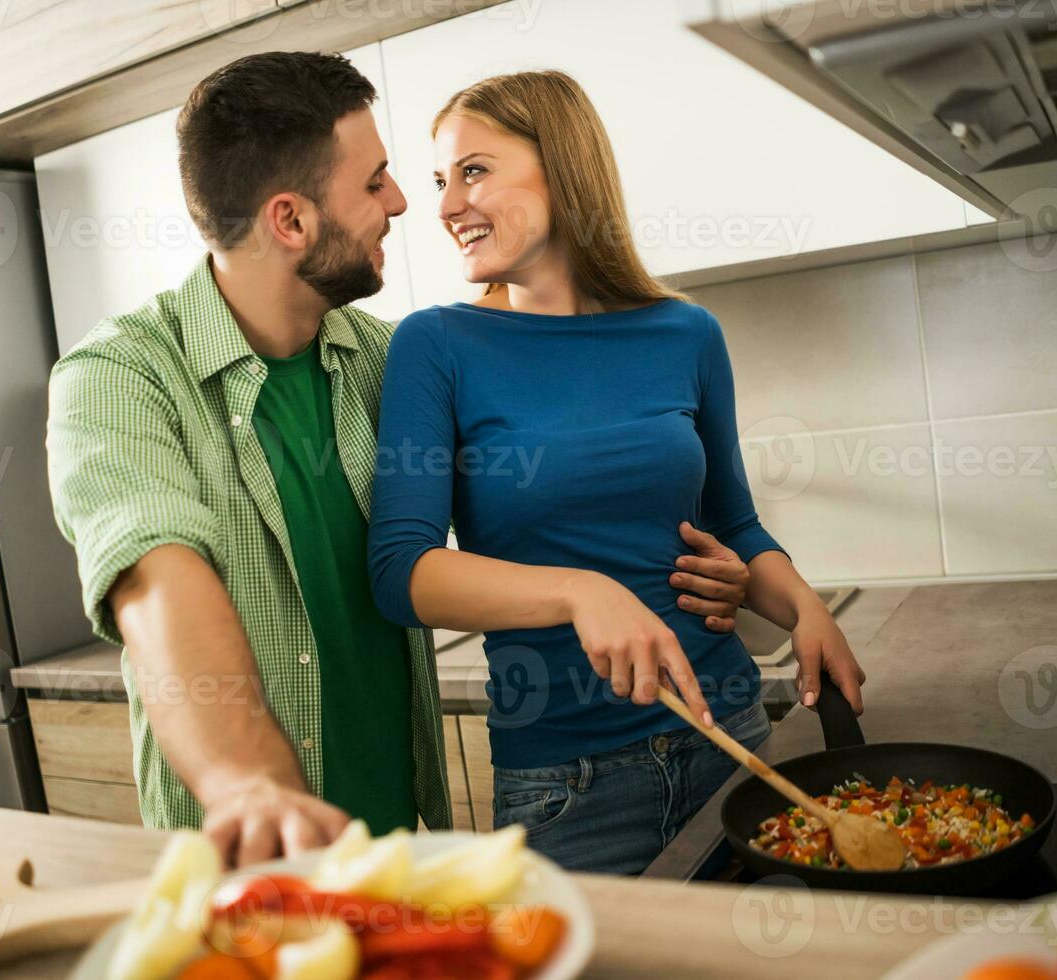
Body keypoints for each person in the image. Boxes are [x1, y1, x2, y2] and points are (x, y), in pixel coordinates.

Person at [45, 52, 750, 867]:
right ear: (291, 221)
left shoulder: (389, 362)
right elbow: (157, 580)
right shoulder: (120, 379)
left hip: (394, 844)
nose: (406, 203)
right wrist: (245, 783)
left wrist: (716, 565)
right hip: (252, 851)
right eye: (376, 181)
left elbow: (550, 437)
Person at [366, 71, 867, 874]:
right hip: (567, 784)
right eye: (440, 181)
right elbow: (401, 571)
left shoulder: (686, 332)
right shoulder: (435, 347)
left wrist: (804, 608)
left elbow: (734, 525)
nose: (446, 205)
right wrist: (579, 589)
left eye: (474, 170)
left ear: (561, 165)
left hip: (731, 737)